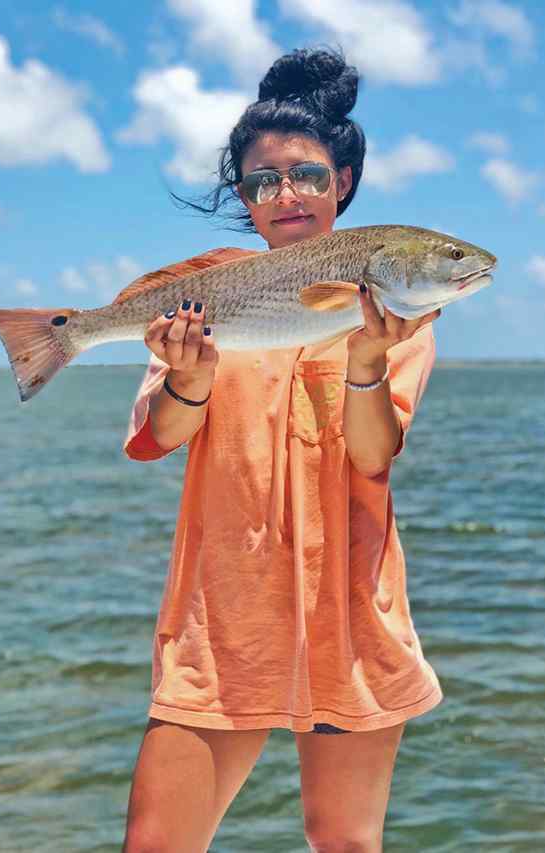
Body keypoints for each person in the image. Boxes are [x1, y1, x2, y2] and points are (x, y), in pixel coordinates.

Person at [121, 47, 443, 853]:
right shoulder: (210, 295)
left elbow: (373, 455)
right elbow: (159, 435)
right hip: (222, 612)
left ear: (342, 183)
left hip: (349, 606)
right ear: (246, 198)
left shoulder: (395, 315)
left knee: (344, 843)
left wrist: (366, 361)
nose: (287, 194)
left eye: (306, 174)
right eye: (265, 182)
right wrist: (188, 378)